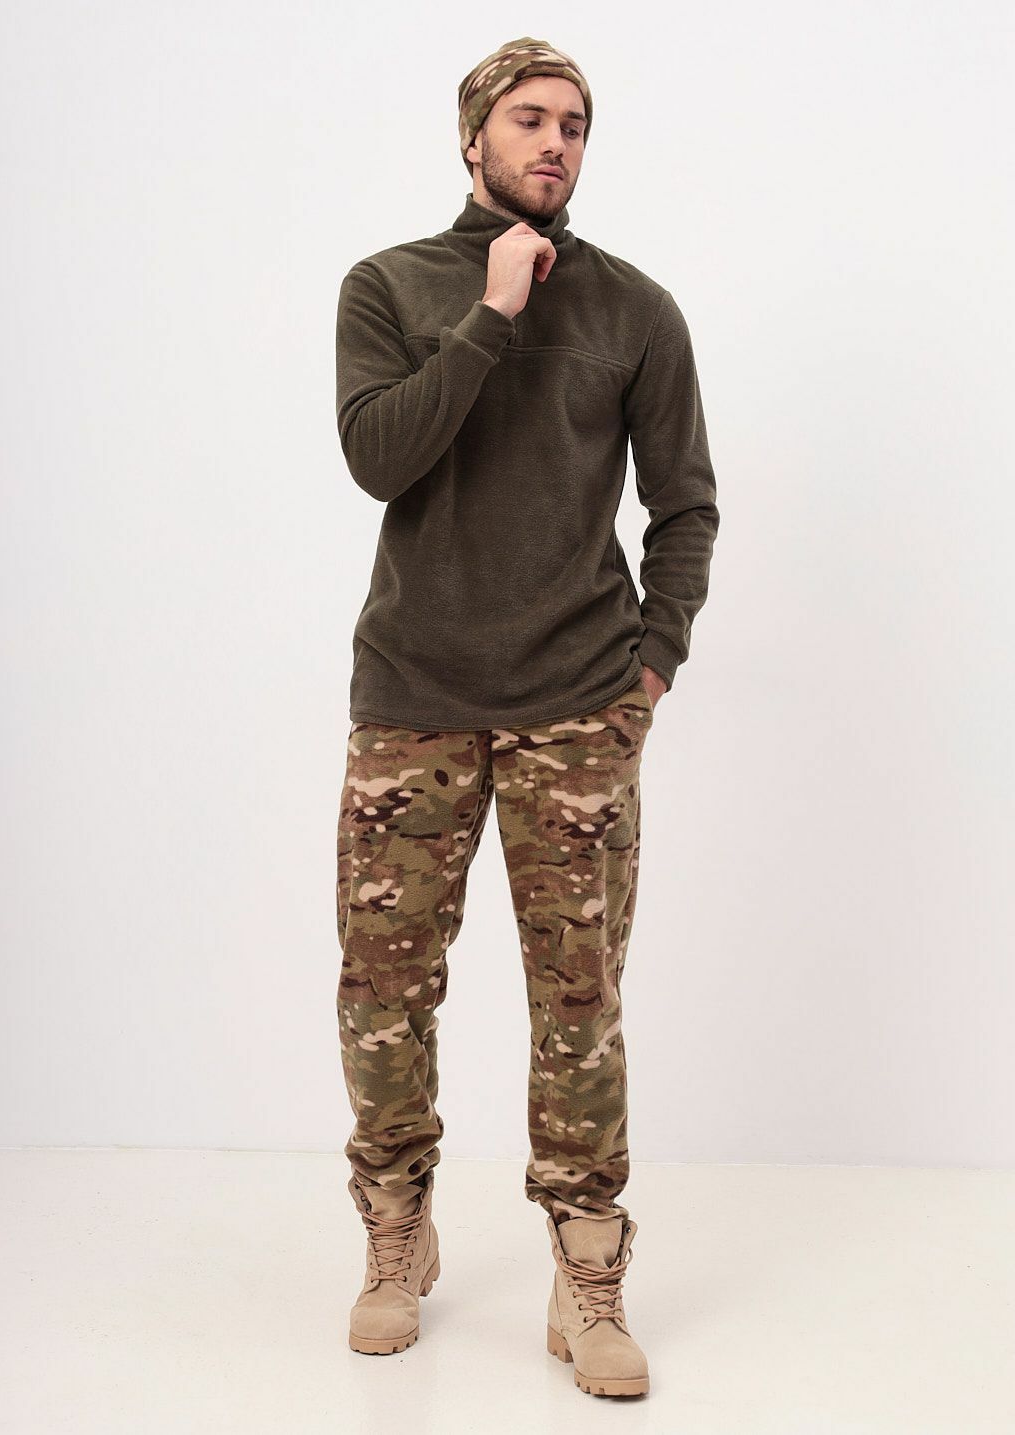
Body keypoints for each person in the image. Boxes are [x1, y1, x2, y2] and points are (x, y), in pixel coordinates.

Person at [332, 35, 719, 1398]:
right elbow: (380, 457)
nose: (556, 143)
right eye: (530, 120)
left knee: (580, 998)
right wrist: (491, 314)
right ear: (473, 137)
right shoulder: (390, 286)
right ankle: (396, 1231)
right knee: (385, 989)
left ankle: (586, 1266)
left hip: (577, 704)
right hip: (414, 697)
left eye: (575, 124)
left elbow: (685, 505)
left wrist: (650, 669)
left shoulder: (635, 309)